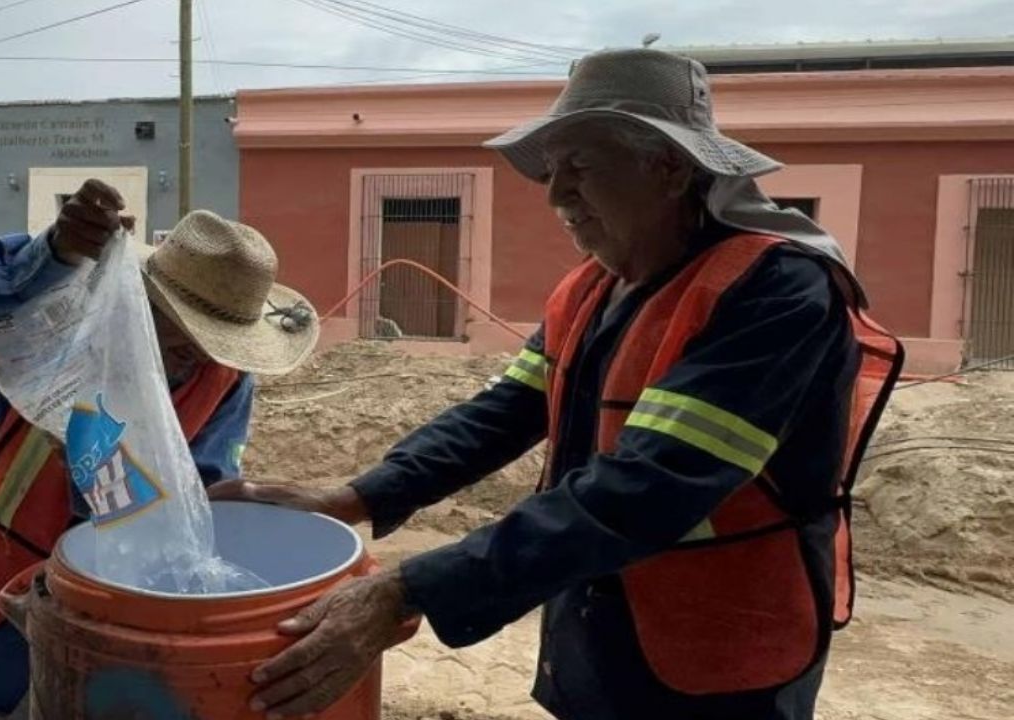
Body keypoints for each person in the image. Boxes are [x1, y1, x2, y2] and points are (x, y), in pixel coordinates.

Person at [210, 48, 903, 720]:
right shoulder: (595, 288)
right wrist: (354, 497)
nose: (554, 193)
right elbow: (504, 412)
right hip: (602, 633)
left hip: (721, 651)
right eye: (550, 170)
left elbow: (652, 487)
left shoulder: (777, 291)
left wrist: (408, 589)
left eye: (580, 167)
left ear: (666, 167)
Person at [0, 179, 318, 719]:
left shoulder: (224, 382)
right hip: (6, 608)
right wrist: (47, 257)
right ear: (139, 306)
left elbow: (198, 500)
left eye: (209, 349)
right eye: (175, 343)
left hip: (124, 634)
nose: (191, 361)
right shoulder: (48, 348)